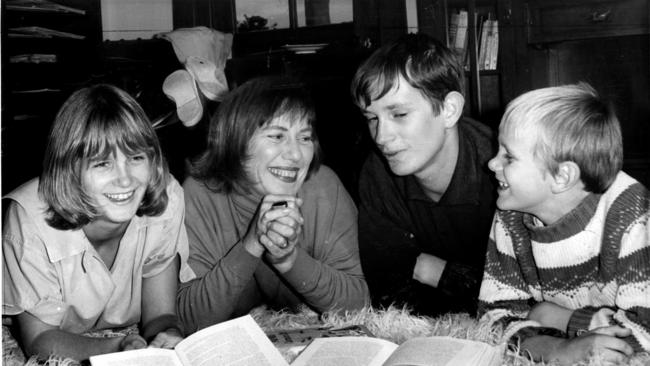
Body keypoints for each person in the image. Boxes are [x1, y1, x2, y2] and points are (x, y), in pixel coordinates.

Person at [2, 84, 190, 361]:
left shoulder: (167, 197)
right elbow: (40, 339)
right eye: (102, 163)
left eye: (136, 157)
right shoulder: (27, 222)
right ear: (69, 169)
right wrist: (116, 348)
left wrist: (168, 335)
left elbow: (161, 315)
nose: (125, 180)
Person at [177, 75, 369, 333]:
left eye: (304, 138)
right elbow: (187, 319)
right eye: (277, 136)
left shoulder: (323, 187)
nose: (296, 154)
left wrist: (289, 260)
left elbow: (358, 306)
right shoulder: (199, 194)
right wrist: (252, 245)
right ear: (235, 140)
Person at [478, 83, 650, 365]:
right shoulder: (511, 211)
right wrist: (557, 348)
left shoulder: (633, 212)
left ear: (562, 176)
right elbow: (491, 316)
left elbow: (643, 336)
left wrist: (558, 318)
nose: (491, 164)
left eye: (508, 156)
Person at [350, 33, 497, 316]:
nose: (381, 137)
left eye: (400, 114)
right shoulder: (378, 171)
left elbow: (521, 297)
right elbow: (387, 290)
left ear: (449, 110)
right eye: (372, 118)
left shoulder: (501, 168)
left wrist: (430, 269)